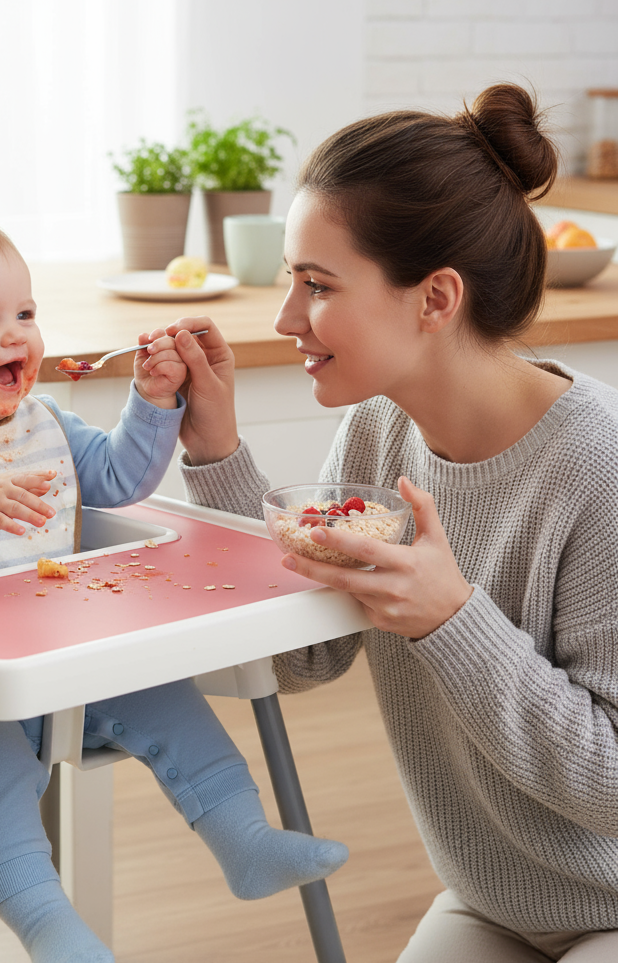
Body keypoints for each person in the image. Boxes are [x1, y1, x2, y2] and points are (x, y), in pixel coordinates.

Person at [160, 83, 618, 961]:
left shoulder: (596, 470)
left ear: (435, 299)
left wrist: (455, 620)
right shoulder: (378, 432)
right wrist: (217, 452)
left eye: (317, 285)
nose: (287, 319)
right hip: (491, 901)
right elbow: (302, 655)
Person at [0, 208, 348, 963]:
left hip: (71, 645)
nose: (16, 334)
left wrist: (153, 402)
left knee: (171, 694)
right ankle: (54, 931)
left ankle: (243, 840)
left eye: (25, 313)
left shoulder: (40, 420)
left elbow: (117, 478)